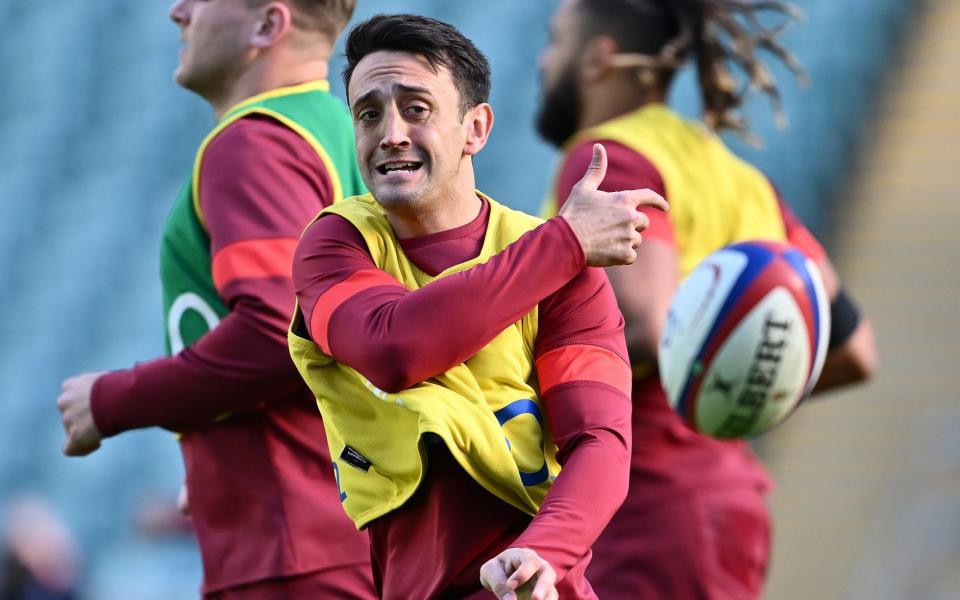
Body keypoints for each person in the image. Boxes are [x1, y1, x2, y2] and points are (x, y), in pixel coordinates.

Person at [287, 13, 669, 600]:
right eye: (369, 113)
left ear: (476, 128)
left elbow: (600, 441)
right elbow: (394, 349)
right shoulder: (335, 245)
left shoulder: (565, 271)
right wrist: (563, 244)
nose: (390, 132)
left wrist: (545, 550)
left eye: (416, 108)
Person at [536, 0, 878, 598]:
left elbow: (646, 326)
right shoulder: (739, 178)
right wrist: (734, 391)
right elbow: (853, 349)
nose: (543, 61)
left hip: (641, 510)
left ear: (598, 57)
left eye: (555, 40)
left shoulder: (605, 161)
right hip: (723, 501)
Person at [55, 1, 375, 597]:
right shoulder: (340, 134)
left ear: (266, 25)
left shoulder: (255, 142)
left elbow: (277, 332)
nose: (179, 12)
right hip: (346, 527)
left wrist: (111, 399)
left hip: (294, 548)